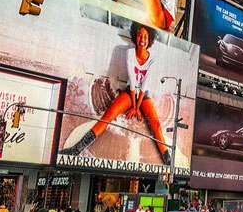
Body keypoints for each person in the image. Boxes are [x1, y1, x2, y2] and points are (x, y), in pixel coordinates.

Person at [60, 22, 173, 165]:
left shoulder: (152, 58)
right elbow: (132, 81)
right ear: (134, 36)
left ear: (149, 39)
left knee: (156, 124)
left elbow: (144, 85)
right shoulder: (130, 53)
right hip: (129, 91)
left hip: (144, 94)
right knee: (106, 117)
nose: (142, 39)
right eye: (139, 35)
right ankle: (76, 149)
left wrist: (137, 107)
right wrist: (133, 105)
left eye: (145, 36)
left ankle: (168, 160)